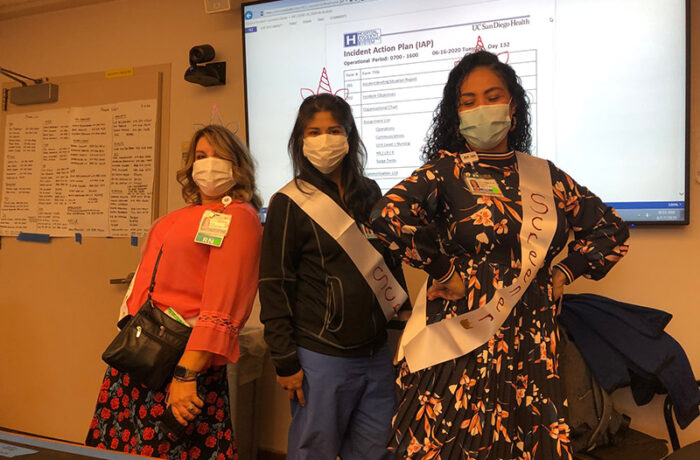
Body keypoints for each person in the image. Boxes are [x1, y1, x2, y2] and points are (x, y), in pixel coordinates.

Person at [369, 51, 630, 459]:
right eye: (467, 101)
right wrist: (442, 270)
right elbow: (385, 217)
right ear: (455, 114)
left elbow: (611, 229)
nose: (480, 108)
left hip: (530, 339)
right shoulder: (446, 171)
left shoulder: (544, 175)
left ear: (512, 105)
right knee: (453, 444)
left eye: (492, 96)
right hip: (462, 337)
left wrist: (564, 270)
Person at [85, 125, 263, 459]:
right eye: (200, 156)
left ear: (237, 165)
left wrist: (187, 373)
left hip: (183, 363)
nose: (208, 164)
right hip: (139, 356)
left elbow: (224, 304)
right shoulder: (176, 218)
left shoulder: (240, 217)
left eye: (219, 156)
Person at [259, 93, 410, 460]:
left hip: (375, 353)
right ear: (301, 140)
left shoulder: (370, 192)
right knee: (316, 452)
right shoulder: (288, 202)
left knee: (379, 449)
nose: (324, 139)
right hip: (319, 355)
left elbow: (388, 260)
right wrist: (285, 360)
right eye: (314, 132)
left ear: (349, 136)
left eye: (333, 130)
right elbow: (274, 284)